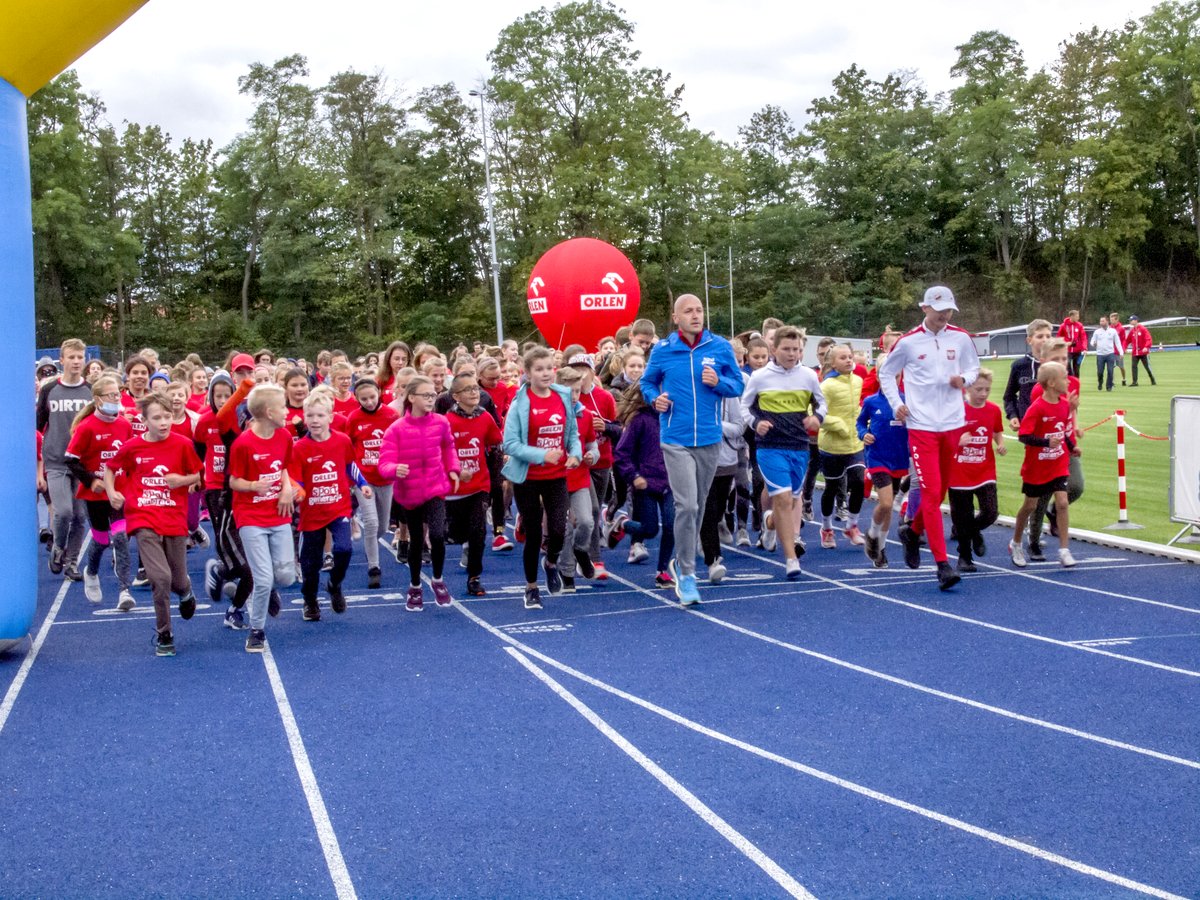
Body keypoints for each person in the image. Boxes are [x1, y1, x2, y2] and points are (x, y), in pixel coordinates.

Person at [639, 294, 744, 606]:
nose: (695, 315)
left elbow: (737, 385)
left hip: (710, 439)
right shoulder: (663, 350)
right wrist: (654, 400)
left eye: (699, 310)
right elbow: (647, 384)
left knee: (698, 506)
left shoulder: (720, 347)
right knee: (686, 506)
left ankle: (679, 560)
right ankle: (686, 574)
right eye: (688, 311)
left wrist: (719, 382)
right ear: (676, 317)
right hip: (675, 438)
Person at [878, 285, 981, 591]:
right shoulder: (909, 343)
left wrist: (965, 380)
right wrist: (897, 404)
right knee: (931, 491)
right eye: (939, 312)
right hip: (921, 426)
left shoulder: (960, 337)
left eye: (949, 311)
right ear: (925, 309)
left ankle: (912, 531)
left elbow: (974, 367)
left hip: (952, 422)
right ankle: (942, 565)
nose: (944, 316)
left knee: (941, 491)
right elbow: (886, 373)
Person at [103, 392, 202, 656]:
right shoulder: (133, 447)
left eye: (167, 417)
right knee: (161, 577)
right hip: (143, 517)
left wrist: (180, 481)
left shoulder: (182, 444)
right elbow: (111, 468)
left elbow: (196, 474)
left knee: (178, 580)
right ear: (145, 420)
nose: (163, 422)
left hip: (173, 517)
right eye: (157, 418)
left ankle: (186, 591)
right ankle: (165, 633)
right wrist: (112, 492)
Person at [739, 326, 825, 579]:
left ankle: (768, 522)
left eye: (796, 349)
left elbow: (822, 402)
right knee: (784, 500)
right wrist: (756, 423)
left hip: (799, 447)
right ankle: (790, 559)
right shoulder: (760, 377)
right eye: (786, 349)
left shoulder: (808, 376)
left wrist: (817, 417)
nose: (792, 354)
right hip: (770, 447)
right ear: (774, 350)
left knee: (789, 502)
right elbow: (745, 407)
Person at [501, 346, 582, 610]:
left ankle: (551, 563)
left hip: (557, 474)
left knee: (559, 529)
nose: (546, 373)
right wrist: (541, 454)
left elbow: (572, 435)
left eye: (549, 368)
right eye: (539, 369)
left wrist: (575, 454)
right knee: (534, 532)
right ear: (527, 373)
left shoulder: (563, 396)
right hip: (528, 476)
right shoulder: (520, 403)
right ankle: (531, 587)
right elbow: (510, 444)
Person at [378, 376, 460, 612]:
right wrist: (395, 469)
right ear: (411, 397)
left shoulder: (441, 422)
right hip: (409, 493)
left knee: (436, 535)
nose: (431, 399)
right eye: (426, 395)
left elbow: (448, 447)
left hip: (435, 486)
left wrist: (453, 469)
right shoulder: (396, 429)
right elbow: (384, 464)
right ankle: (415, 586)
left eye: (433, 395)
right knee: (415, 541)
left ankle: (437, 579)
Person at [227, 383, 297, 652]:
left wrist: (287, 490)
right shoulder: (243, 443)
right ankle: (256, 631)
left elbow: (284, 468)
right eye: (283, 407)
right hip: (251, 515)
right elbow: (233, 481)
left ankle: (263, 592)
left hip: (278, 513)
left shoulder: (285, 437)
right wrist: (254, 486)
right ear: (269, 412)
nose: (288, 412)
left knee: (287, 576)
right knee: (264, 577)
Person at [289, 392, 363, 621]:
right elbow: (296, 478)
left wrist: (363, 484)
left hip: (338, 507)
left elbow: (350, 465)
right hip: (312, 512)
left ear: (330, 417)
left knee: (344, 549)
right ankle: (310, 600)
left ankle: (334, 584)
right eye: (310, 415)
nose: (315, 420)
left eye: (320, 415)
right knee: (310, 564)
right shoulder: (300, 447)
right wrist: (297, 492)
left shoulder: (341, 440)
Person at [63, 374, 135, 609]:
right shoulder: (86, 428)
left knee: (121, 537)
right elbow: (71, 460)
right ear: (98, 399)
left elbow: (130, 456)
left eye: (118, 394)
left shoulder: (124, 425)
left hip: (118, 492)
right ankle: (91, 571)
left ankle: (125, 590)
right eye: (112, 395)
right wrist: (91, 480)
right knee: (102, 540)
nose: (117, 398)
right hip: (95, 494)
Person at [1010, 362, 1078, 569]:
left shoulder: (1065, 404)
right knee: (1030, 506)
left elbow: (1064, 431)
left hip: (1058, 464)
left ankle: (1064, 550)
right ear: (1051, 383)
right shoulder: (1037, 408)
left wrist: (1071, 447)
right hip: (1037, 467)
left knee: (1063, 503)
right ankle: (1016, 542)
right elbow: (1024, 436)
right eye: (1064, 378)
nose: (1068, 381)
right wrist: (1046, 442)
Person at [37, 339, 92, 581]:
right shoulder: (50, 390)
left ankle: (72, 562)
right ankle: (58, 548)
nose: (76, 361)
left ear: (85, 360)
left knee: (80, 516)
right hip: (56, 459)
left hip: (81, 463)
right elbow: (39, 424)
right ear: (62, 360)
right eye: (71, 357)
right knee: (63, 511)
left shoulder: (90, 390)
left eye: (80, 357)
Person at [445, 373, 502, 597]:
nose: (473, 392)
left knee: (478, 531)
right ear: (456, 396)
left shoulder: (485, 417)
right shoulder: (446, 422)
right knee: (456, 534)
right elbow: (438, 453)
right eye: (467, 390)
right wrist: (456, 471)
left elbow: (494, 442)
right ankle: (462, 544)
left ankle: (474, 577)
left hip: (479, 485)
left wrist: (498, 463)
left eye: (475, 389)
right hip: (454, 489)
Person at [613, 383, 676, 588]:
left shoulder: (675, 418)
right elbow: (621, 453)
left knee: (670, 525)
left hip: (670, 482)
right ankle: (622, 523)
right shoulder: (639, 420)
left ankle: (662, 571)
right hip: (646, 484)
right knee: (649, 530)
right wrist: (634, 476)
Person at [947, 369, 1006, 573]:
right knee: (962, 515)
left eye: (987, 389)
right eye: (979, 389)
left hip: (984, 470)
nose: (983, 393)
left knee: (991, 512)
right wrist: (957, 441)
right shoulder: (956, 410)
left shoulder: (993, 410)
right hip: (958, 472)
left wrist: (1000, 443)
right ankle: (964, 557)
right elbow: (942, 439)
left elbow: (997, 430)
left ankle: (972, 532)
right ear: (967, 388)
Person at [346, 377, 399, 589]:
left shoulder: (390, 415)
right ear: (357, 398)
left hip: (385, 478)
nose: (368, 402)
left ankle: (371, 545)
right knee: (371, 522)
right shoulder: (354, 418)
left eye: (372, 397)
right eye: (363, 399)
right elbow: (347, 447)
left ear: (379, 394)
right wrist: (352, 477)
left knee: (382, 526)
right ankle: (374, 567)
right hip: (363, 478)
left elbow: (399, 441)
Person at [554, 366, 600, 592]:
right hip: (555, 479)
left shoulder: (586, 415)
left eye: (577, 392)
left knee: (586, 521)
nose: (573, 397)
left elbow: (592, 443)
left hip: (579, 477)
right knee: (565, 529)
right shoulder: (551, 416)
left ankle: (582, 550)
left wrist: (593, 455)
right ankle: (567, 572)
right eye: (569, 392)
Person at [816, 345, 866, 550]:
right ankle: (826, 527)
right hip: (832, 445)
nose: (848, 360)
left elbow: (855, 408)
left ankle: (852, 525)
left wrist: (864, 421)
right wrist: (839, 425)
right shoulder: (827, 385)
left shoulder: (858, 381)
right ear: (832, 362)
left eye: (850, 356)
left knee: (859, 482)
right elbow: (817, 412)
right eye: (843, 357)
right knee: (832, 488)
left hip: (854, 443)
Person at [856, 378, 908, 568]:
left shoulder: (906, 400)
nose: (891, 380)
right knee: (886, 502)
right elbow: (860, 422)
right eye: (887, 375)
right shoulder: (871, 401)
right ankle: (873, 535)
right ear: (879, 376)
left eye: (895, 376)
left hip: (899, 458)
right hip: (877, 457)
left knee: (887, 508)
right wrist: (863, 434)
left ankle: (880, 547)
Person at [1002, 319, 1052, 432]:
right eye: (1040, 336)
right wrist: (1013, 415)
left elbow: (1069, 395)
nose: (1045, 340)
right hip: (1029, 425)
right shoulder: (1019, 366)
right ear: (1029, 340)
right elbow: (1009, 396)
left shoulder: (1061, 364)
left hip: (1054, 424)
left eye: (1048, 336)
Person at [1090, 315, 1123, 392]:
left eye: (1103, 321)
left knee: (1110, 371)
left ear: (1107, 322)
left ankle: (1109, 386)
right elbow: (1092, 341)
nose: (1101, 322)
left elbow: (1117, 342)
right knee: (1100, 372)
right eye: (1100, 321)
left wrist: (1121, 352)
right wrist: (1093, 344)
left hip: (1110, 354)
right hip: (1100, 355)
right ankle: (1100, 382)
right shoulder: (1097, 332)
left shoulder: (1113, 331)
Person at [1057, 310, 1088, 378]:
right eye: (1077, 316)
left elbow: (1083, 337)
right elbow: (1058, 338)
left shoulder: (1080, 325)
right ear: (1071, 316)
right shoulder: (1063, 326)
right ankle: (1069, 378)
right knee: (1067, 364)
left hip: (1078, 350)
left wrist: (1084, 348)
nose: (1078, 318)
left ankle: (1076, 383)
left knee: (1076, 369)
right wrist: (1064, 344)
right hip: (1067, 350)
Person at [1127, 316, 1156, 386]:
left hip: (1143, 353)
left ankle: (1152, 379)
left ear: (1136, 320)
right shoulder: (1132, 330)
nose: (1130, 322)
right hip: (1135, 353)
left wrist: (1146, 347)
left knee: (1147, 367)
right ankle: (1135, 382)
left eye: (1131, 320)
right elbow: (1127, 340)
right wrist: (1123, 347)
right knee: (1134, 366)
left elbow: (1148, 339)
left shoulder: (1143, 329)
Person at [1108, 312, 1128, 386]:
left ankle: (1124, 379)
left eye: (1112, 319)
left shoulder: (1121, 328)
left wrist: (1122, 350)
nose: (1111, 321)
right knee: (1111, 367)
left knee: (1121, 366)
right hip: (1111, 351)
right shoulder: (1109, 328)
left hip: (1118, 351)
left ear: (1116, 320)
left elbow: (1123, 340)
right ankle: (1111, 381)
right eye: (1110, 319)